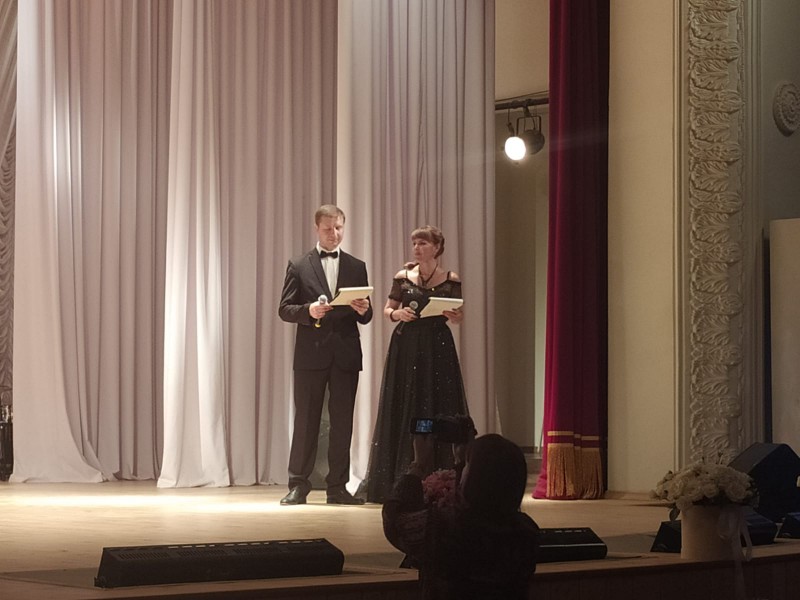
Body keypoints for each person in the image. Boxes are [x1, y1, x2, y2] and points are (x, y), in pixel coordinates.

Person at [360, 225, 468, 503]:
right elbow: (387, 309)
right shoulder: (403, 276)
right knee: (411, 404)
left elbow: (458, 316)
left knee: (437, 405)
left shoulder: (451, 278)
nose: (417, 248)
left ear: (437, 247)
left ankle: (438, 474)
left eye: (423, 243)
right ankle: (405, 474)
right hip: (407, 346)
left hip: (438, 346)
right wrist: (397, 314)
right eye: (415, 244)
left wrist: (455, 315)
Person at [278, 204, 373, 505]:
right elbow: (285, 309)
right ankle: (298, 484)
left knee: (342, 423)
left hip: (345, 354)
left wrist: (364, 309)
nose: (334, 234)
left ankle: (337, 487)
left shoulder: (357, 266)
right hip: (311, 354)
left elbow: (366, 315)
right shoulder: (299, 265)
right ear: (316, 228)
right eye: (328, 228)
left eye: (339, 228)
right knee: (306, 421)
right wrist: (309, 311)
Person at [382, 431, 540, 599]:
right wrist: (460, 462)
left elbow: (395, 520)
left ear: (474, 479)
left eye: (467, 466)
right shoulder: (527, 532)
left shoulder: (444, 528)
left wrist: (418, 465)